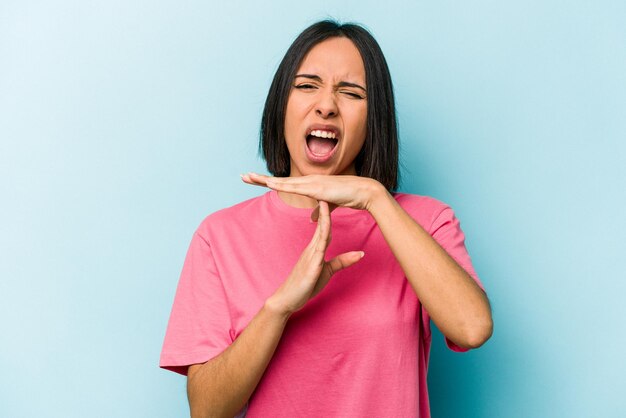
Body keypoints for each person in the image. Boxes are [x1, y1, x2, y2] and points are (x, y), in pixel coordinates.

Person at [160, 20, 493, 418]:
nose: (327, 105)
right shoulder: (220, 236)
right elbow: (207, 410)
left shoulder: (425, 220)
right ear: (280, 105)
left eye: (351, 92)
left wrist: (375, 198)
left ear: (375, 119)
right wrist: (279, 308)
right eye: (306, 86)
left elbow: (472, 328)